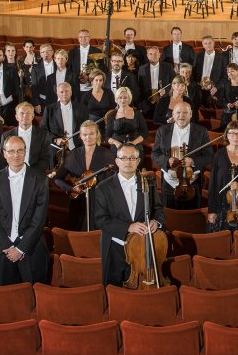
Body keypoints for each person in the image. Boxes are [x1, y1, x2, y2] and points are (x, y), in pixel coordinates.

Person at [93, 145, 165, 287]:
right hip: (115, 249)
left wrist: (156, 222)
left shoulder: (148, 184)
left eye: (132, 158)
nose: (128, 162)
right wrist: (128, 227)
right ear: (117, 161)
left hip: (142, 250)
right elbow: (100, 219)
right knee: (115, 294)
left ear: (138, 161)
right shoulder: (103, 187)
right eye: (124, 158)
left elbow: (158, 209)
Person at [0, 136, 51, 285]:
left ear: (25, 152)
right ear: (4, 153)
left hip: (32, 247)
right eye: (11, 151)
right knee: (8, 299)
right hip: (4, 250)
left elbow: (39, 219)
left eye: (20, 151)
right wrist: (7, 247)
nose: (16, 155)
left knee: (35, 297)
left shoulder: (41, 179)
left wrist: (21, 249)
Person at [51, 122, 116, 227]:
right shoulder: (73, 155)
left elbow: (116, 180)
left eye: (91, 134)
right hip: (79, 204)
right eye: (85, 134)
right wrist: (72, 188)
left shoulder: (108, 155)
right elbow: (58, 179)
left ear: (97, 134)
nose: (88, 137)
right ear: (80, 136)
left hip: (101, 203)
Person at [151, 101, 214, 208]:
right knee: (170, 217)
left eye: (185, 112)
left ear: (191, 114)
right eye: (178, 112)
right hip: (169, 183)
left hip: (192, 183)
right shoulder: (162, 131)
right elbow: (155, 154)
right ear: (173, 115)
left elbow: (209, 155)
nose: (181, 115)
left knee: (191, 217)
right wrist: (167, 160)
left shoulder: (201, 131)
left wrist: (193, 161)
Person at [1, 102, 53, 173]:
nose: (25, 116)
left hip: (35, 173)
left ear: (32, 116)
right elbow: (3, 158)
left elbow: (46, 158)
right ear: (16, 117)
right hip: (12, 173)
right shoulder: (6, 135)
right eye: (22, 113)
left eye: (28, 113)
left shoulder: (43, 134)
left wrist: (31, 173)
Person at [42, 82, 88, 150]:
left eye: (67, 91)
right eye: (61, 92)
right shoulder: (49, 109)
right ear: (57, 94)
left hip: (78, 148)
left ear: (71, 92)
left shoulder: (82, 108)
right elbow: (43, 130)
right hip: (56, 149)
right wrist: (55, 139)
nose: (64, 94)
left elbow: (87, 126)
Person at [105, 85, 148, 156]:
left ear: (129, 99)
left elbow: (145, 133)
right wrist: (116, 143)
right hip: (117, 146)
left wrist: (133, 143)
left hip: (135, 144)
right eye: (120, 97)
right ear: (116, 99)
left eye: (125, 97)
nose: (122, 100)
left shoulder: (137, 113)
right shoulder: (112, 115)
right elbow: (107, 137)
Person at [0, 48, 20, 125]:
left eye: (0, 55)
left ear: (3, 57)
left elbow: (16, 89)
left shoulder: (12, 70)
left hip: (9, 105)